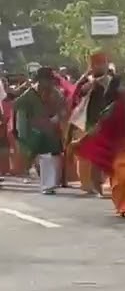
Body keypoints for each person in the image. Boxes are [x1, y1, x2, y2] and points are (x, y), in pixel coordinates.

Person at [74, 76, 125, 218]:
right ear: (117, 89)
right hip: (120, 152)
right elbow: (100, 128)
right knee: (121, 183)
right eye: (123, 85)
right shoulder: (113, 108)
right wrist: (82, 141)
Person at [14, 67, 67, 195]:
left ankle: (49, 184)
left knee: (50, 155)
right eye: (46, 80)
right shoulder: (29, 94)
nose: (49, 83)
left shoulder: (55, 93)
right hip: (34, 130)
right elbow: (17, 106)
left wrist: (57, 117)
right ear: (40, 80)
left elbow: (63, 108)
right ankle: (43, 181)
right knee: (36, 155)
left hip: (50, 130)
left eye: (50, 80)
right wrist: (25, 124)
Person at [67, 52, 114, 196]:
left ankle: (101, 183)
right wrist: (92, 83)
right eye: (97, 64)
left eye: (103, 63)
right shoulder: (87, 80)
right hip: (86, 122)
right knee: (86, 154)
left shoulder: (112, 80)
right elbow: (78, 93)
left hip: (106, 122)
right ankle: (87, 184)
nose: (101, 66)